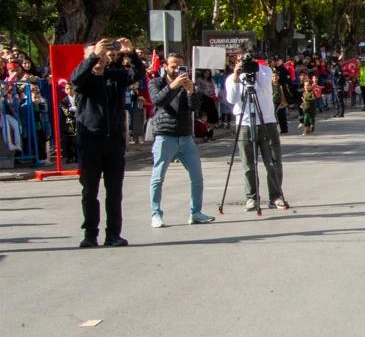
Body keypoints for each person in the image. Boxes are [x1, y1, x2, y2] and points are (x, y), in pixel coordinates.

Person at [70, 38, 142, 248]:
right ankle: (90, 234)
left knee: (114, 191)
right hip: (90, 140)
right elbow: (75, 80)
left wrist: (131, 54)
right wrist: (92, 57)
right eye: (96, 54)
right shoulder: (84, 78)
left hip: (114, 142)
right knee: (90, 191)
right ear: (87, 57)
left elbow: (137, 74)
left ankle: (113, 234)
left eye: (103, 54)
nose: (100, 58)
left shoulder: (114, 76)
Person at [147, 53, 215, 228]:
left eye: (180, 67)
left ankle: (196, 212)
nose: (177, 70)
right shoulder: (157, 83)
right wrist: (173, 86)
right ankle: (156, 214)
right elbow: (158, 101)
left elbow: (195, 107)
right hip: (165, 135)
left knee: (197, 176)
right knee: (158, 177)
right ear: (165, 67)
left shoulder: (187, 84)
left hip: (185, 136)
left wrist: (191, 91)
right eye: (173, 66)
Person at [224, 54, 287, 211]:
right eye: (241, 60)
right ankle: (252, 198)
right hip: (245, 123)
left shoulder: (264, 71)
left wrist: (255, 67)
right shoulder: (232, 78)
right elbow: (232, 99)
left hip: (267, 121)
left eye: (248, 60)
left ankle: (276, 196)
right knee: (248, 164)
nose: (245, 63)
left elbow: (263, 83)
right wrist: (237, 77)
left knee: (273, 162)